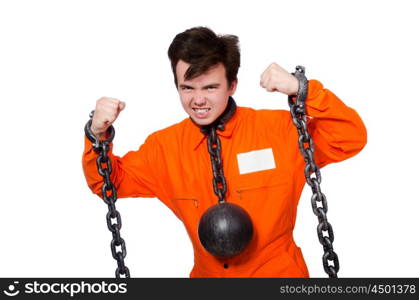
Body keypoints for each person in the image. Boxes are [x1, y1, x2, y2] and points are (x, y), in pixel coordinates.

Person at [82, 26, 367, 277]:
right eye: (187, 88)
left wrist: (302, 89)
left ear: (232, 85)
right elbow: (108, 183)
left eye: (210, 87)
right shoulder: (164, 148)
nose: (198, 100)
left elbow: (349, 137)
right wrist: (97, 135)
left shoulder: (279, 131)